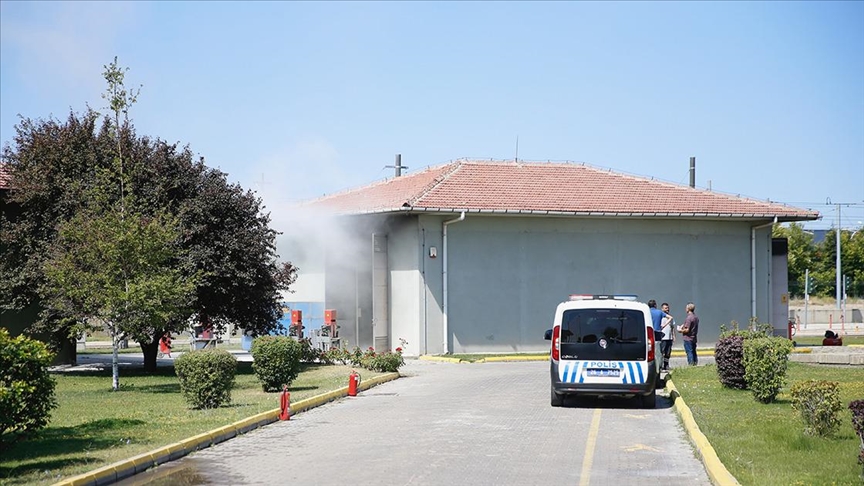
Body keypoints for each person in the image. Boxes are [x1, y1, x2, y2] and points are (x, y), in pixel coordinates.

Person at [659, 302, 675, 370]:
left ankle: (666, 365)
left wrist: (673, 336)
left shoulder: (671, 318)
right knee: (662, 352)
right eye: (665, 308)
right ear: (662, 309)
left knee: (668, 353)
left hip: (669, 337)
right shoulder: (660, 317)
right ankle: (660, 365)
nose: (667, 309)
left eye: (668, 308)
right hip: (663, 338)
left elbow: (672, 327)